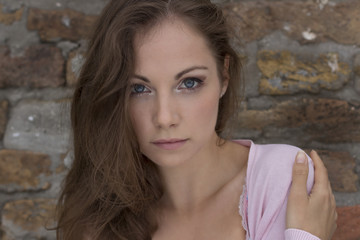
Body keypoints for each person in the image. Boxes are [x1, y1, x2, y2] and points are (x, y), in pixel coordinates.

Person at [55, 0, 337, 239]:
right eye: (138, 89)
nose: (165, 117)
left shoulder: (281, 177)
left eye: (189, 83)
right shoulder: (102, 217)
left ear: (223, 76)